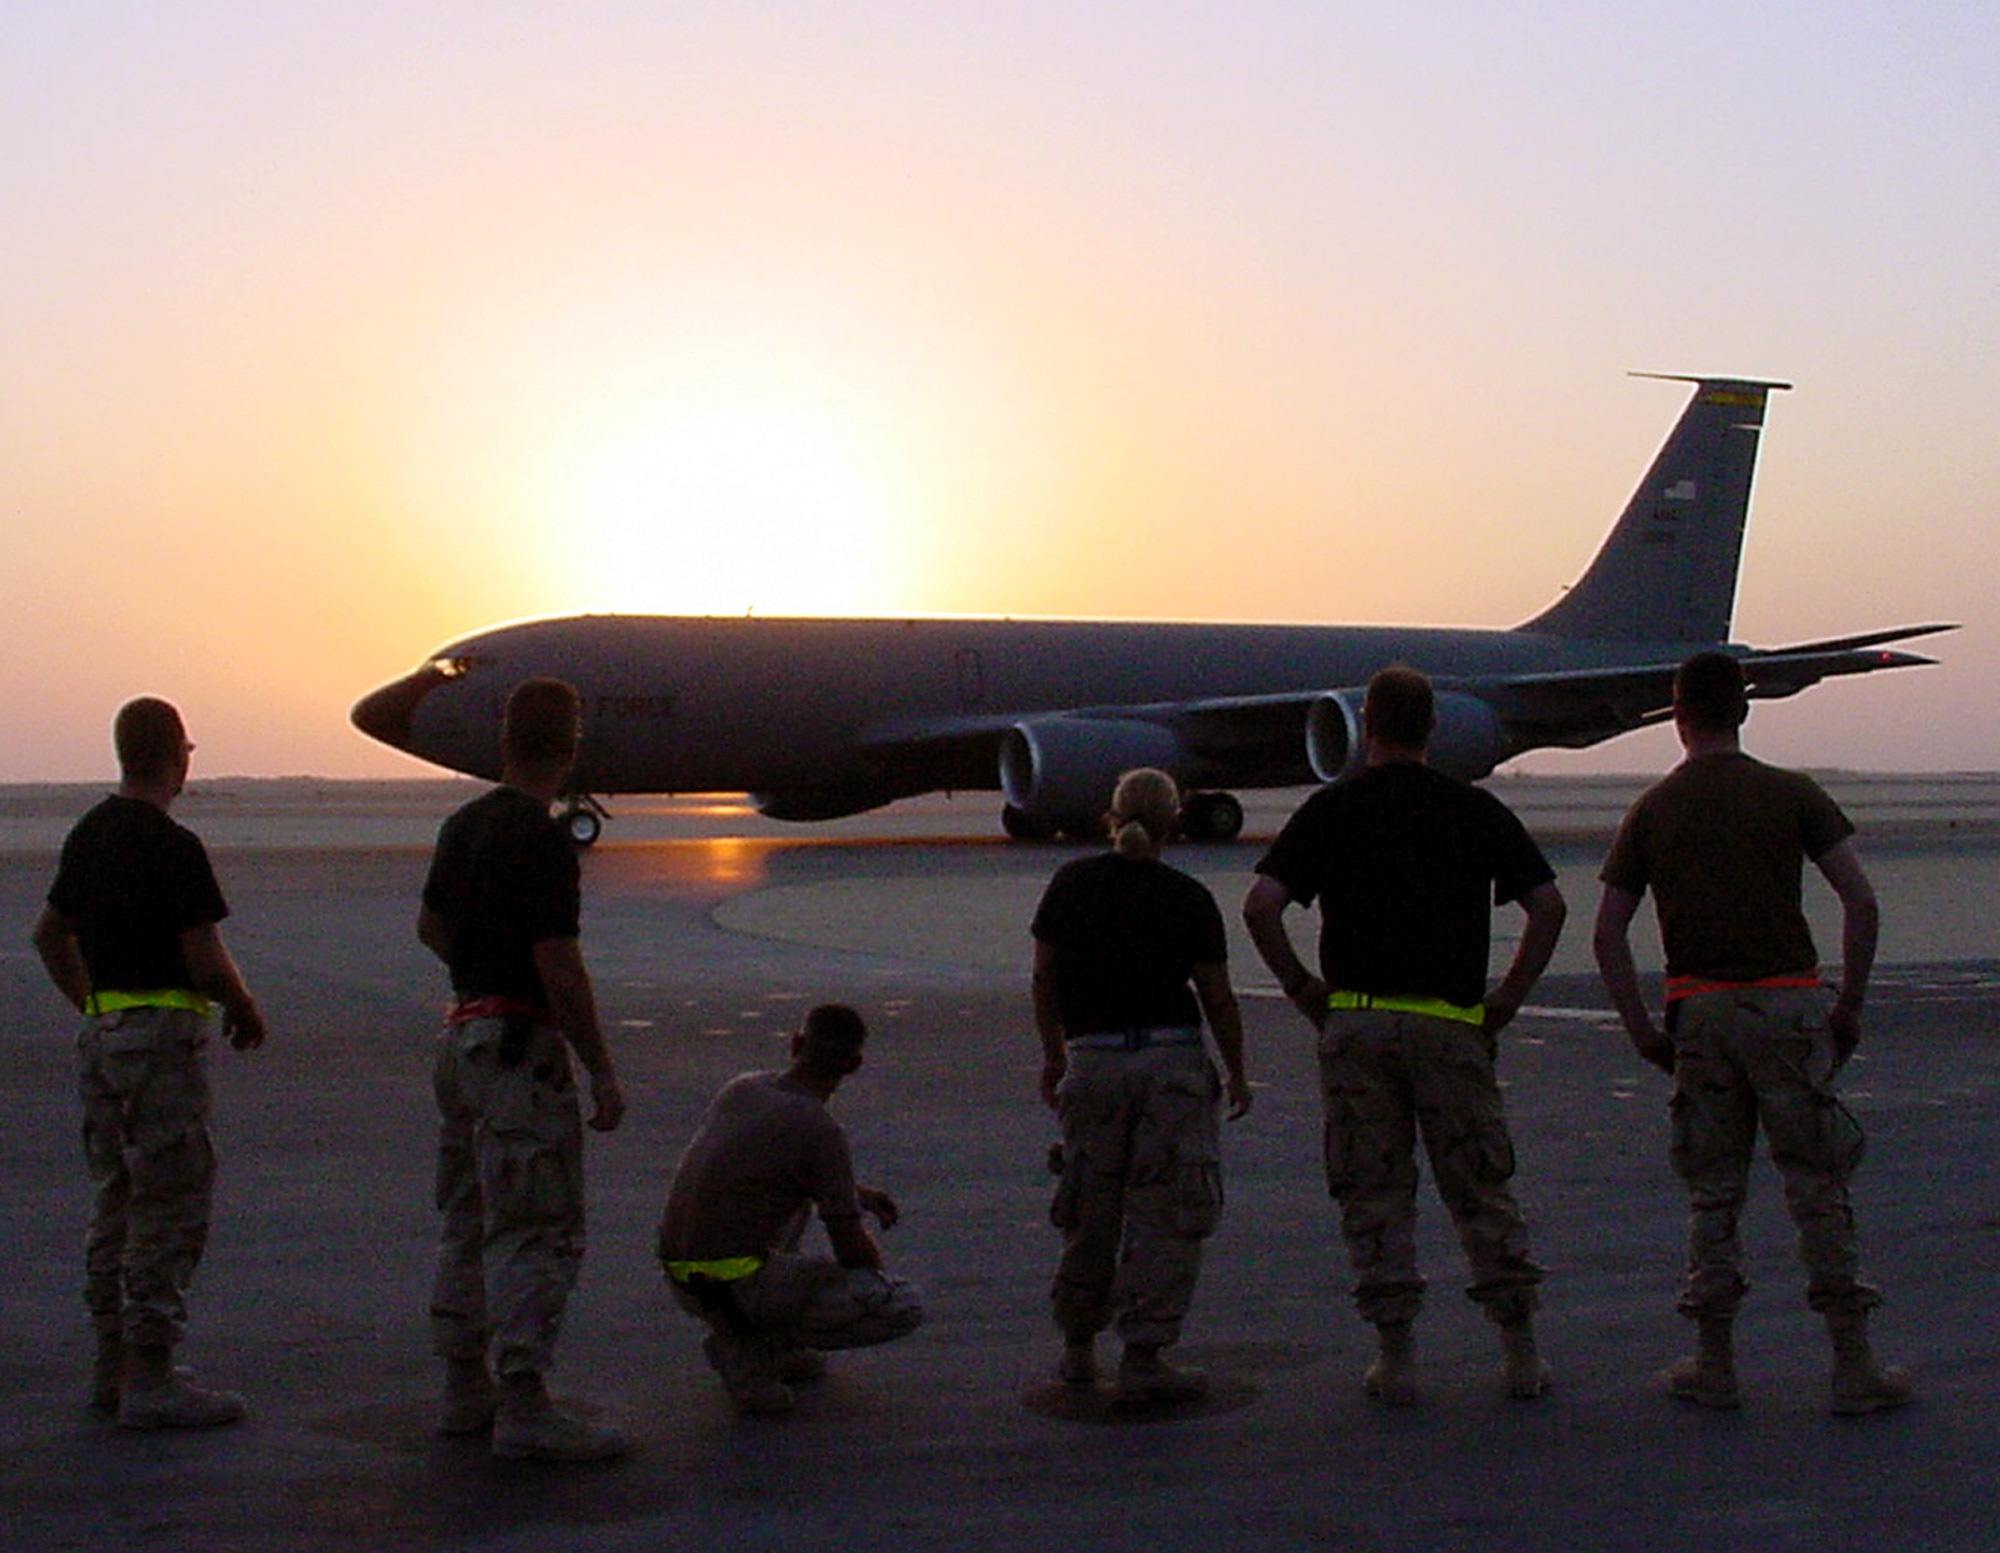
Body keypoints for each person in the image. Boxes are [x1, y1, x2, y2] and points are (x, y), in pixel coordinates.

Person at [1592, 649, 1912, 1415]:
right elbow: (1860, 903)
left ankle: (1714, 1359)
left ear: (1678, 716)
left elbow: (1609, 931)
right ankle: (1853, 1363)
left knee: (1713, 1192)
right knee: (1818, 1186)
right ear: (1744, 708)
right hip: (1788, 1007)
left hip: (1700, 1011)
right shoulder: (1792, 793)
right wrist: (1850, 1007)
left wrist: (1641, 1025)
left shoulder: (1653, 810)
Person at [1243, 666, 1565, 1405]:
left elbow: (1262, 906)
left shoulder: (1332, 808)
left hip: (1356, 1019)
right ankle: (1519, 1351)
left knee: (1374, 1191)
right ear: (1433, 728)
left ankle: (1396, 1355)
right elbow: (1547, 906)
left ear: (1368, 723)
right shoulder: (1473, 810)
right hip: (1450, 1022)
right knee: (1481, 1186)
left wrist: (1303, 989)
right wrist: (1507, 1000)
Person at [31, 697, 267, 1429]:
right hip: (163, 1040)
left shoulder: (89, 834)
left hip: (103, 1034)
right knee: (168, 1202)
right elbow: (203, 953)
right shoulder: (172, 844)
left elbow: (48, 936)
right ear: (177, 754)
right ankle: (154, 1373)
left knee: (116, 1199)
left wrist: (96, 1006)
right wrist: (243, 1005)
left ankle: (113, 1363)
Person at [417, 677, 629, 1461]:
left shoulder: (464, 823)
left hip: (464, 1037)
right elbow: (559, 965)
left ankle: (462, 1389)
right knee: (534, 1226)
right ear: (571, 744)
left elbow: (430, 925)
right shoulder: (540, 838)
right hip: (516, 1049)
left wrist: (478, 968)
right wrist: (599, 1066)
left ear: (504, 740)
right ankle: (525, 1402)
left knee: (466, 1220)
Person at [1031, 767, 1251, 1404]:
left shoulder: (1071, 884)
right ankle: (1145, 1351)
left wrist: (1053, 1055)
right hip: (1170, 1063)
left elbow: (1044, 980)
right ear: (1173, 820)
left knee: (1088, 1206)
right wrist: (1236, 1070)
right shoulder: (1187, 896)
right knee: (1167, 1213)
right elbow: (1216, 996)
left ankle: (1077, 1348)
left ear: (1111, 814)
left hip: (1092, 1059)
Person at [658, 1003, 924, 1415]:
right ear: (854, 1064)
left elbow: (762, 1169)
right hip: (732, 1281)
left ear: (795, 1044)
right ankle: (751, 1349)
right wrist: (876, 1276)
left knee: (789, 1203)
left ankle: (760, 1335)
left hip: (683, 1273)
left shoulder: (742, 1089)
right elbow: (851, 1248)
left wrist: (853, 1192)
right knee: (900, 1305)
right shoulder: (820, 1130)